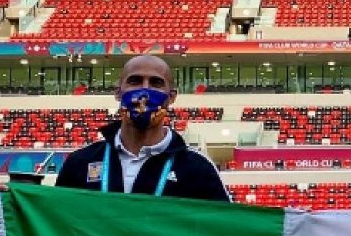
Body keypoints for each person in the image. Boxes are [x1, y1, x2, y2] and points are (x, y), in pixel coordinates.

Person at [52, 55, 229, 200]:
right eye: (135, 81)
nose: (145, 91)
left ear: (172, 97)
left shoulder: (197, 168)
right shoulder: (79, 163)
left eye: (156, 83)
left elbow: (224, 232)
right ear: (118, 92)